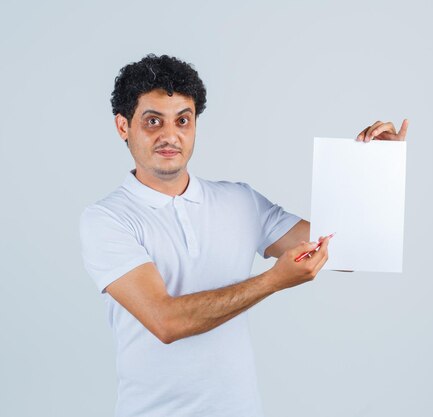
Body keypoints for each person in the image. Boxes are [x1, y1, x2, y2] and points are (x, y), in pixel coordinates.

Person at [79, 53, 408, 417]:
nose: (170, 135)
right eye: (153, 121)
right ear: (123, 126)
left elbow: (346, 251)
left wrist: (380, 170)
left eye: (183, 120)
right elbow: (166, 321)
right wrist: (272, 281)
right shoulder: (107, 219)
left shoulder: (239, 201)